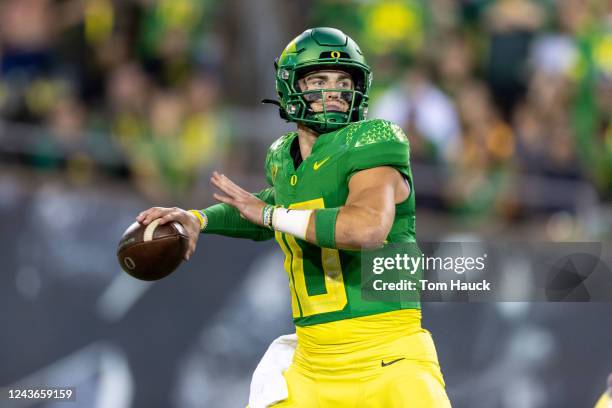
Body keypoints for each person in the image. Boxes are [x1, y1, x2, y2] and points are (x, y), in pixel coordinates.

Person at [136, 27, 450, 407]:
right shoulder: (282, 156)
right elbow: (275, 204)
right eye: (318, 79)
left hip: (386, 360)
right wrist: (197, 219)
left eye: (342, 80)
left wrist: (268, 214)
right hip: (311, 369)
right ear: (291, 88)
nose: (333, 91)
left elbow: (367, 227)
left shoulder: (376, 139)